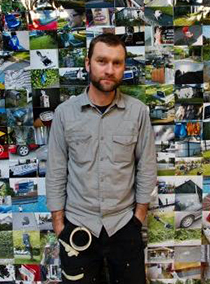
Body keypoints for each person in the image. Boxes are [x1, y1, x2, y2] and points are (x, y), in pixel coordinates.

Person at [46, 33, 157, 283]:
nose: (109, 70)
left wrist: (138, 218)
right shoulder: (65, 113)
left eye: (117, 63)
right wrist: (59, 224)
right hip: (77, 225)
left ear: (124, 68)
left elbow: (147, 166)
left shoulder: (138, 112)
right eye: (102, 61)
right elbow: (55, 170)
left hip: (124, 225)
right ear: (88, 64)